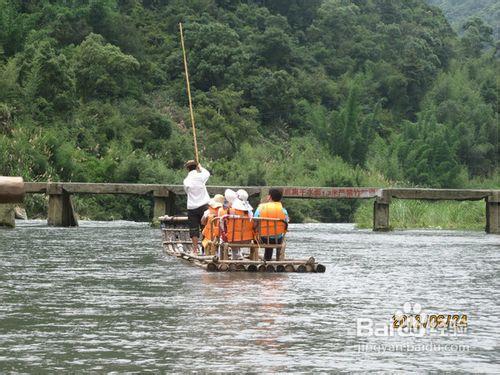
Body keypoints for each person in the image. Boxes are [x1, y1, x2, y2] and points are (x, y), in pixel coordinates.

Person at [183, 160, 210, 254]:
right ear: (196, 167)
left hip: (192, 207)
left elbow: (187, 192)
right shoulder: (201, 176)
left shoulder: (186, 181)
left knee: (194, 229)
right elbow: (207, 173)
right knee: (205, 228)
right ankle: (204, 248)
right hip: (204, 206)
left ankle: (195, 249)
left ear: (187, 169)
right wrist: (201, 168)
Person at [254, 188, 289, 261]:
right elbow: (286, 223)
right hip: (278, 239)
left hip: (262, 239)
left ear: (269, 197)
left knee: (260, 235)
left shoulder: (260, 208)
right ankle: (269, 259)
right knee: (274, 235)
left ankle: (256, 258)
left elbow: (254, 223)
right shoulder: (284, 210)